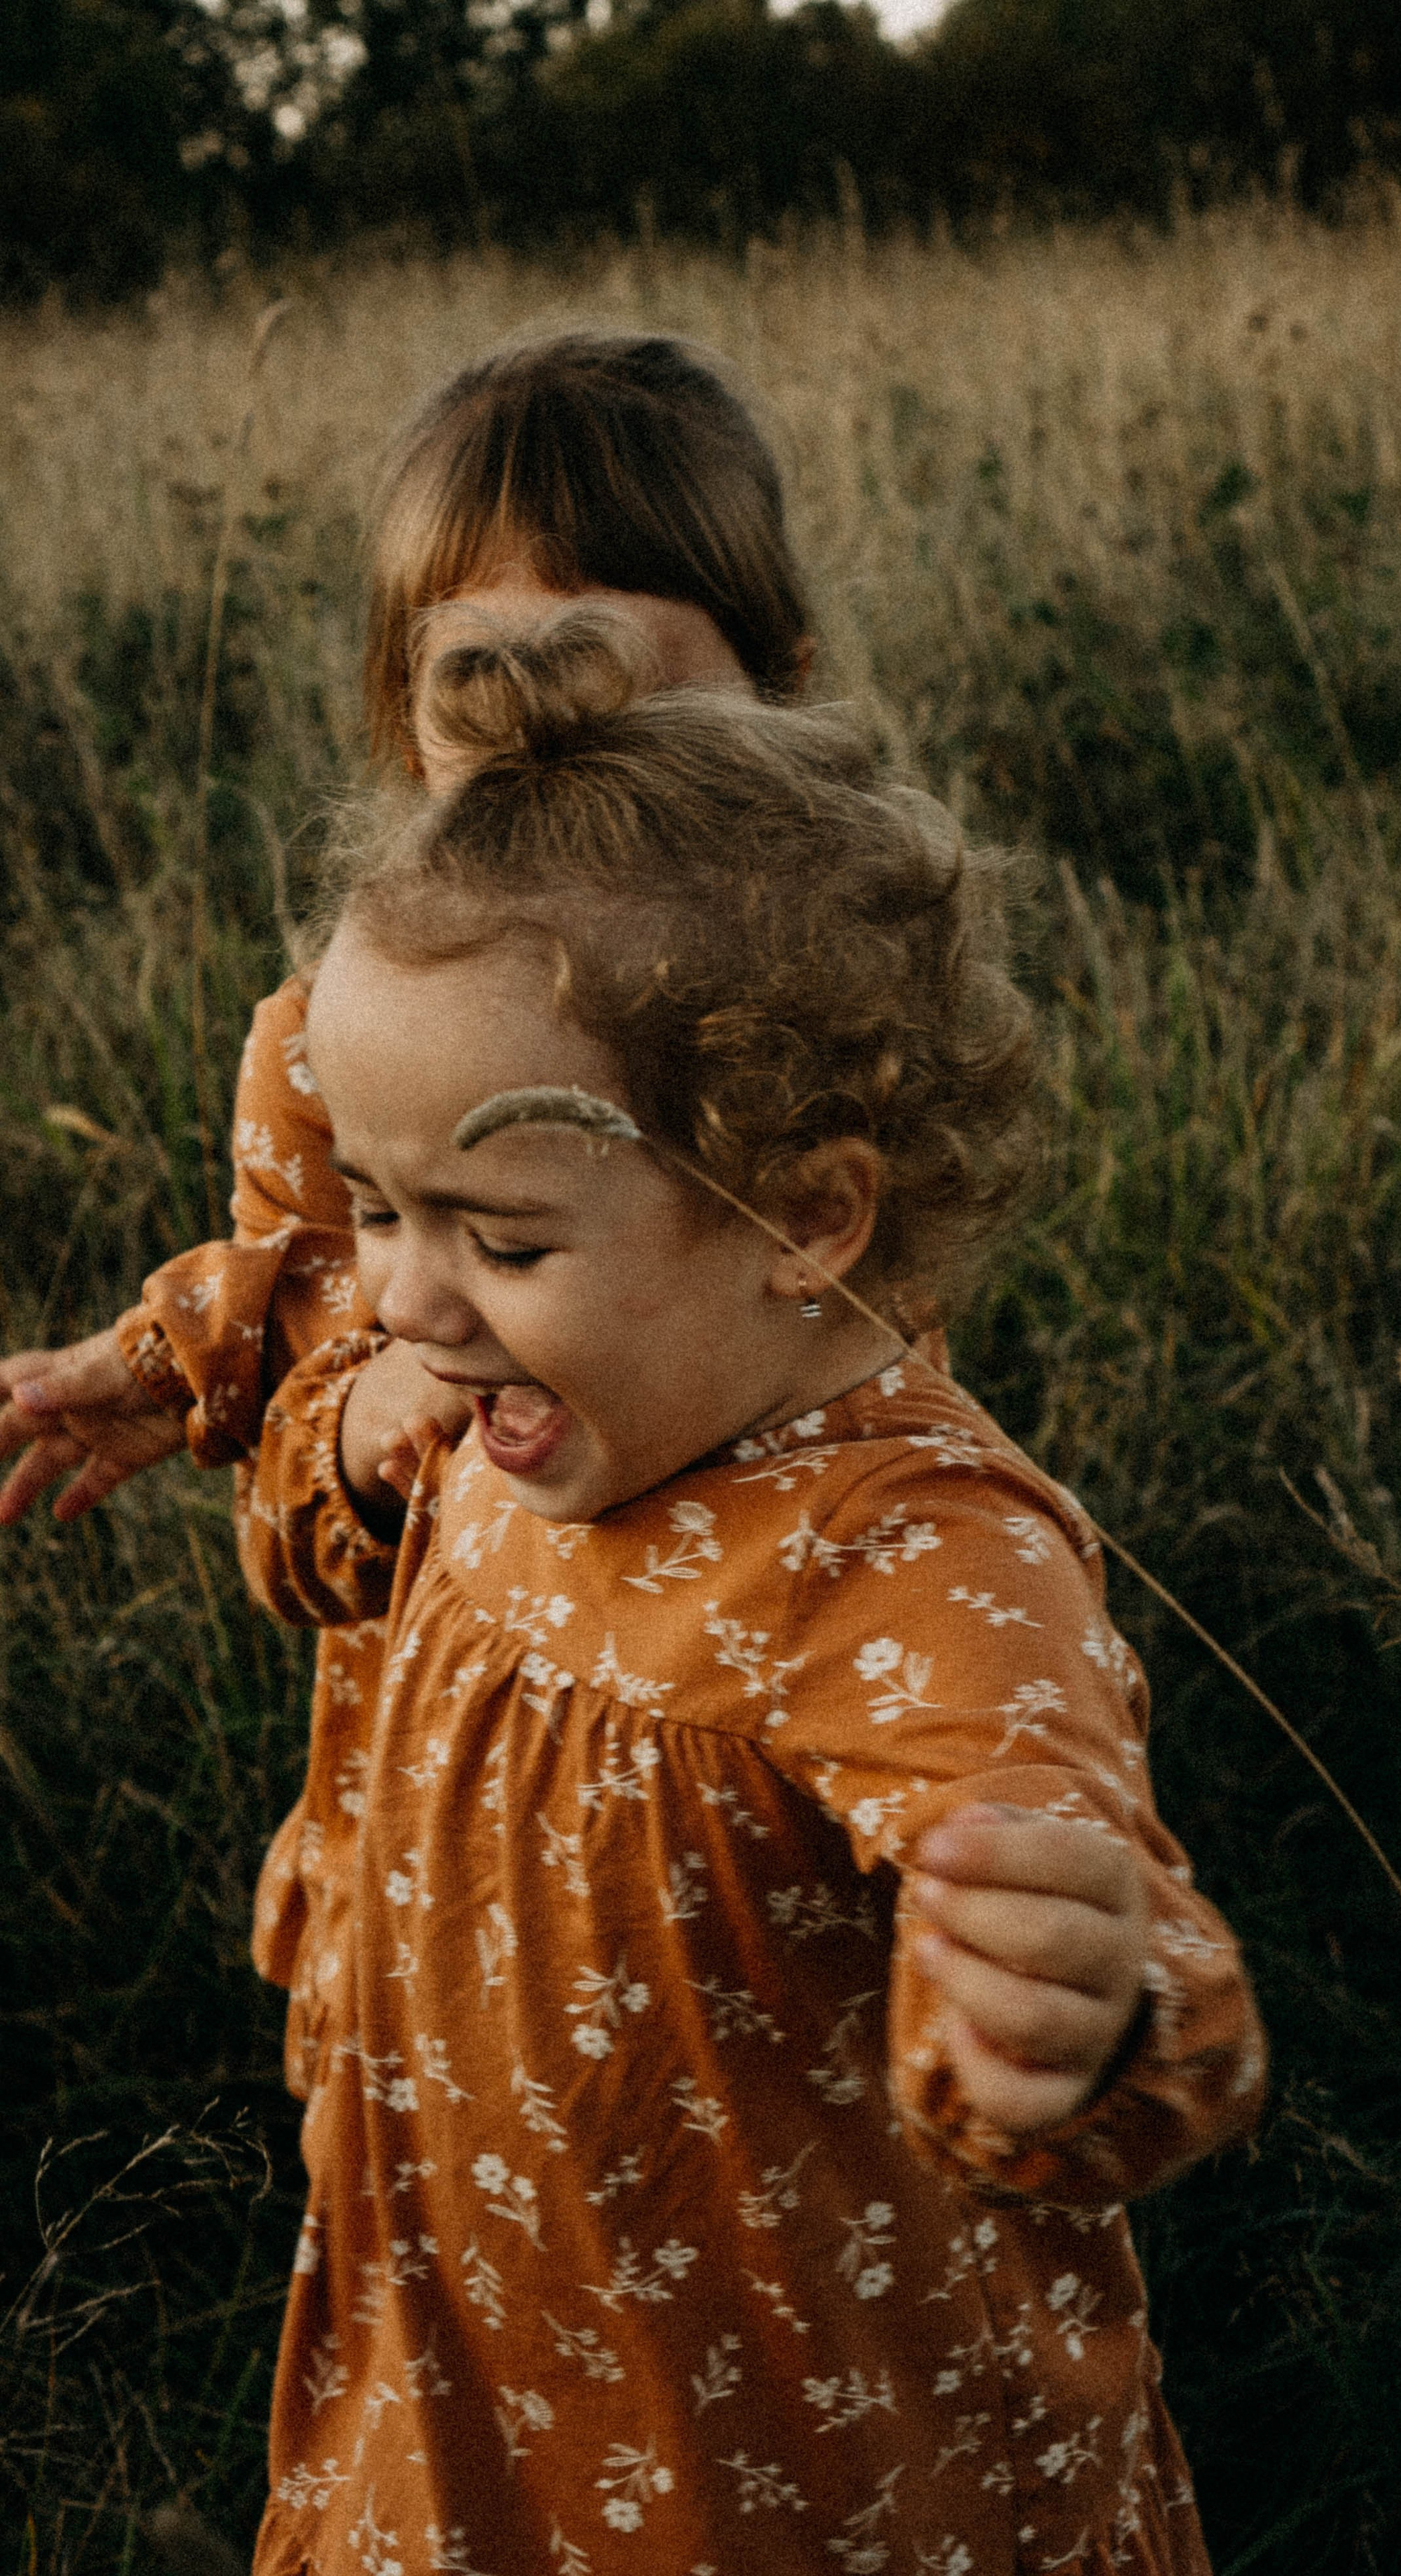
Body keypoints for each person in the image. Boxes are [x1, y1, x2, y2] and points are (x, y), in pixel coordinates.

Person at [239, 604, 1265, 2575]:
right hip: (462, 2395)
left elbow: (1135, 1969)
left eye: (501, 1236)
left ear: (802, 1215)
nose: (402, 1297)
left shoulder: (912, 1558)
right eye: (377, 1209)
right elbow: (314, 1502)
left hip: (796, 2475)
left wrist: (1087, 2007)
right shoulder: (507, 1408)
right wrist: (269, 1413)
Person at [0, 328, 1059, 2104]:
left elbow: (872, 1506)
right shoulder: (327, 1058)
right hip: (427, 1857)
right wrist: (349, 1424)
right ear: (397, 714)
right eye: (471, 689)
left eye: (611, 693)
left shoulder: (797, 1067)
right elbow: (294, 1539)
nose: (541, 763)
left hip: (722, 1902)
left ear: (779, 696)